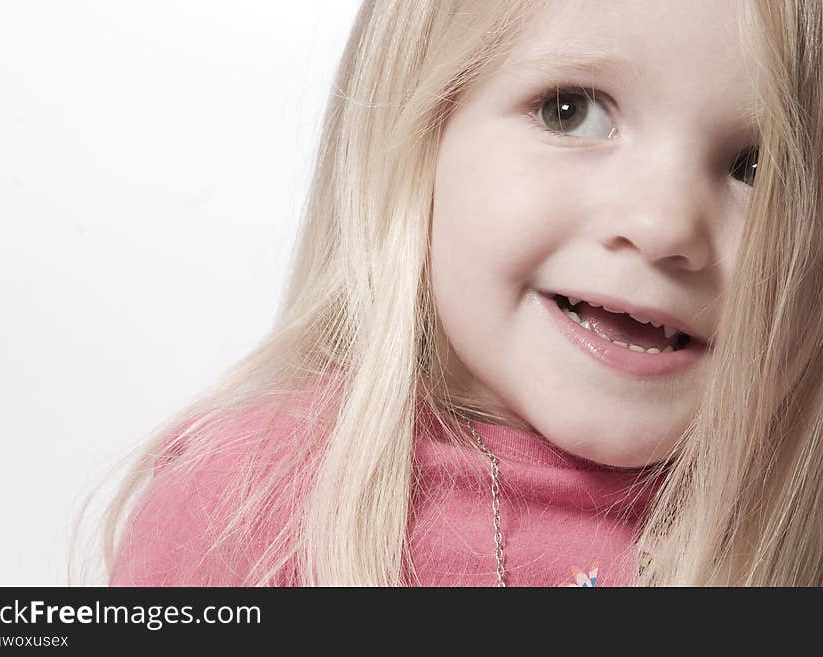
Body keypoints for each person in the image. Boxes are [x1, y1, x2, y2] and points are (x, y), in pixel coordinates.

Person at [93, 0, 823, 586]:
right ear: (422, 134)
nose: (663, 225)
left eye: (760, 167)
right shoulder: (253, 503)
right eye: (570, 110)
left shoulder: (784, 543)